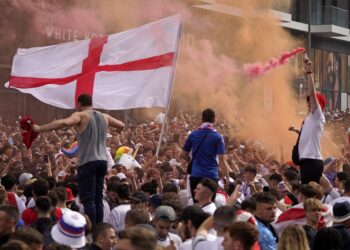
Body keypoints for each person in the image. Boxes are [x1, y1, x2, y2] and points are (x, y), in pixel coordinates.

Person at [32, 94, 125, 228]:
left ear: (79, 104)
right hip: (102, 162)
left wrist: (40, 128)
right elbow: (121, 125)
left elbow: (64, 122)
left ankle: (91, 229)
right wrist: (115, 131)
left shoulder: (81, 115)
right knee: (98, 198)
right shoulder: (105, 116)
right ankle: (98, 228)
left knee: (89, 200)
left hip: (88, 161)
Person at [290, 54, 326, 184]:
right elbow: (308, 136)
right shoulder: (309, 118)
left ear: (319, 105)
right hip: (306, 161)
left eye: (311, 102)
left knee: (309, 195)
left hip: (312, 161)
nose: (309, 103)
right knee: (306, 194)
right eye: (308, 102)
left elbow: (311, 93)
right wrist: (297, 131)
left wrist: (309, 71)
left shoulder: (318, 115)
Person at [182, 108, 230, 201]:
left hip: (195, 175)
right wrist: (227, 177)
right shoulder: (218, 136)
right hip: (211, 176)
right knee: (209, 204)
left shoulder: (193, 134)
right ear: (214, 119)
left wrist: (191, 161)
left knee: (196, 206)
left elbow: (183, 154)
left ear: (202, 119)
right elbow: (222, 159)